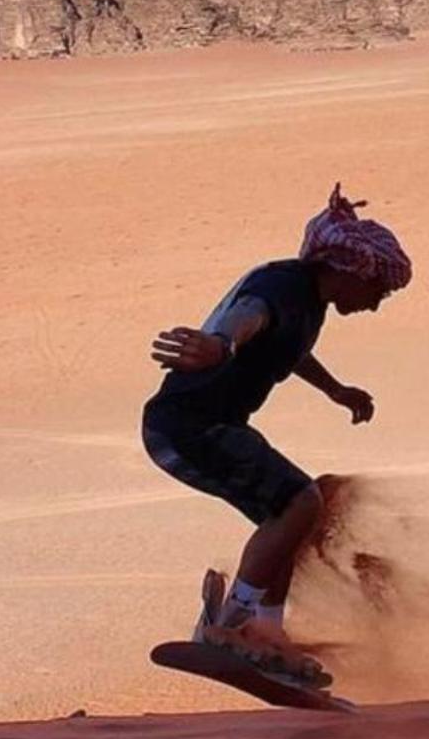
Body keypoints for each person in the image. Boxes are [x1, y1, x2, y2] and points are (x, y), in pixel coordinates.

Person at [142, 183, 412, 685]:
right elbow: (251, 317)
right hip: (188, 425)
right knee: (301, 503)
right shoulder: (282, 287)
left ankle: (266, 636)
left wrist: (336, 390)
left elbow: (286, 347)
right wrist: (221, 345)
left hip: (208, 425)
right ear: (348, 270)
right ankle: (232, 628)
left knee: (288, 521)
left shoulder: (308, 302)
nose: (376, 304)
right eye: (378, 291)